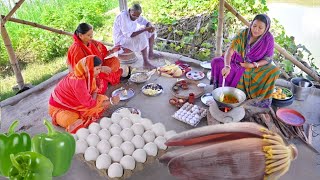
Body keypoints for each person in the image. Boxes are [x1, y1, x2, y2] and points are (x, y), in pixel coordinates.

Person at [210, 14, 280, 108]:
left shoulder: (268, 39)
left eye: (260, 28)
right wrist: (227, 66)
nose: (256, 30)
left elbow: (268, 59)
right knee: (216, 62)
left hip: (256, 65)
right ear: (251, 24)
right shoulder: (243, 34)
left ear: (266, 29)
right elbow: (230, 51)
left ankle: (259, 99)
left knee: (274, 71)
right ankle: (222, 90)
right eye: (254, 26)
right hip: (239, 61)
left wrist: (253, 65)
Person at [49, 55, 120, 131]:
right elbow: (89, 103)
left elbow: (94, 91)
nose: (99, 72)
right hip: (62, 107)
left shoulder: (88, 74)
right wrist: (111, 101)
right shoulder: (77, 82)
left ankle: (87, 109)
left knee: (103, 99)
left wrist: (92, 101)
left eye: (100, 69)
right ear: (89, 69)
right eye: (97, 69)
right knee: (72, 121)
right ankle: (83, 112)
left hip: (81, 102)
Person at [67, 23, 129, 94]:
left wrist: (112, 50)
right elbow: (80, 71)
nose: (91, 37)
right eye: (89, 35)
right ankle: (109, 79)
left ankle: (109, 78)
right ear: (81, 35)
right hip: (87, 75)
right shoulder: (76, 50)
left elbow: (102, 54)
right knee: (100, 86)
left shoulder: (91, 42)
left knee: (114, 61)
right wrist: (101, 68)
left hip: (97, 68)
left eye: (92, 35)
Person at [113, 3, 162, 69]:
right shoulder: (123, 17)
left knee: (151, 31)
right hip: (121, 40)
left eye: (137, 16)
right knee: (142, 35)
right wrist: (145, 29)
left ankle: (151, 53)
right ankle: (145, 63)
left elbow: (146, 22)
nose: (135, 17)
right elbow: (129, 35)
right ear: (129, 10)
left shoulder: (136, 14)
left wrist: (150, 26)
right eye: (133, 15)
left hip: (129, 36)